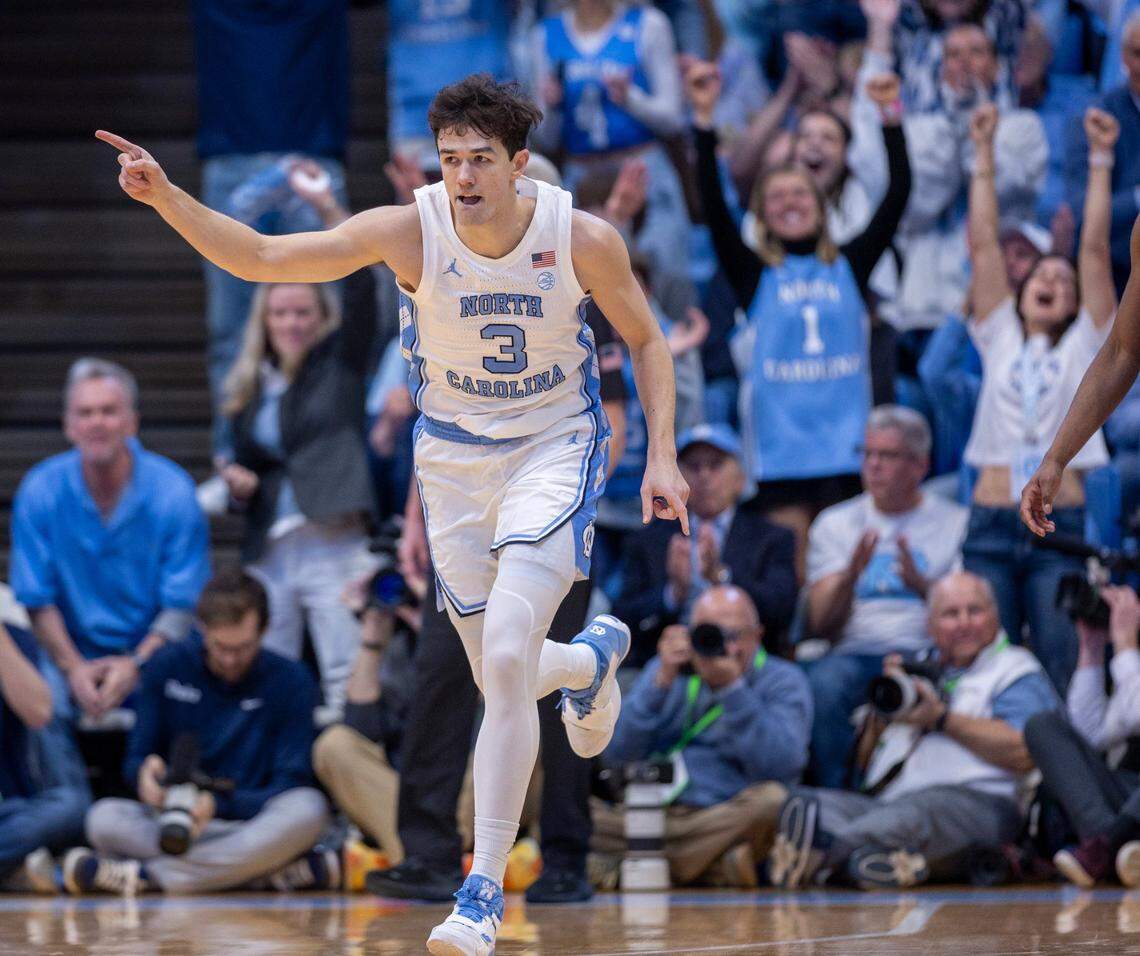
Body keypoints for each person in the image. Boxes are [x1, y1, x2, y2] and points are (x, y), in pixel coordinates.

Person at [96, 73, 687, 955]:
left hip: (552, 446)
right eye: (451, 160)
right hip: (450, 462)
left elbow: (645, 338)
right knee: (505, 674)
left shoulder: (580, 237)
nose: (464, 177)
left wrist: (665, 454)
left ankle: (480, 888)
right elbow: (261, 257)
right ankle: (590, 660)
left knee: (506, 648)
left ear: (519, 163)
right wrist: (167, 195)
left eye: (481, 160)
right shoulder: (410, 228)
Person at [684, 61, 912, 575]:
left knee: (838, 575)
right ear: (763, 214)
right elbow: (716, 209)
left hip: (846, 449)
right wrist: (703, 119)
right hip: (780, 453)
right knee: (790, 581)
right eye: (778, 198)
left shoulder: (852, 263)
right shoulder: (752, 272)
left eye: (800, 195)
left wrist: (891, 116)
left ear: (820, 205)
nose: (790, 203)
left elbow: (897, 196)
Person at [769, 571, 1058, 890]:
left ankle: (817, 861)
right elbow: (864, 766)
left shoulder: (1013, 668)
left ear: (995, 615)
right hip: (890, 802)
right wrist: (883, 713)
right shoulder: (914, 671)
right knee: (807, 803)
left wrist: (941, 719)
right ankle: (863, 863)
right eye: (950, 614)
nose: (964, 623)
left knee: (909, 817)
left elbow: (1025, 750)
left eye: (974, 611)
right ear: (930, 625)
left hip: (977, 802)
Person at [964, 104, 1118, 692]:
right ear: (1020, 292)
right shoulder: (998, 331)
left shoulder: (1088, 343)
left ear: (1080, 303)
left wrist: (1100, 159)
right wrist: (983, 153)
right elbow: (982, 246)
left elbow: (1097, 252)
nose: (1051, 282)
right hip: (990, 527)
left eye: (1064, 280)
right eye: (1040, 278)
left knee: (1060, 665)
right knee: (983, 667)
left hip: (1061, 528)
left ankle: (1060, 781)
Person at [63, 570, 333, 896]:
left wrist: (218, 805)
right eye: (220, 646)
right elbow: (137, 757)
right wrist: (144, 778)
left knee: (309, 809)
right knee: (103, 818)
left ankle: (150, 877)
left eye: (243, 647)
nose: (231, 659)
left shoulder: (292, 680)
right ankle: (260, 874)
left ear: (264, 632)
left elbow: (290, 781)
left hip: (249, 821)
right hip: (176, 826)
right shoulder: (166, 665)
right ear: (202, 630)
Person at [218, 262, 381, 719]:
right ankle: (278, 777)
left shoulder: (340, 363)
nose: (291, 323)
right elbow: (253, 465)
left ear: (321, 316)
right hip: (271, 545)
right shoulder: (251, 383)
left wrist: (329, 213)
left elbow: (363, 291)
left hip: (334, 537)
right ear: (264, 320)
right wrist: (238, 483)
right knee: (270, 672)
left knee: (345, 672)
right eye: (280, 314)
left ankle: (348, 773)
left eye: (302, 312)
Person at [191, 0, 352, 453]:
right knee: (231, 326)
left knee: (333, 321)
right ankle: (231, 459)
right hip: (234, 159)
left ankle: (330, 461)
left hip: (310, 155)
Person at [10, 359, 211, 721]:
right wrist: (73, 668)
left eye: (108, 411)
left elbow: (182, 606)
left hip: (156, 650)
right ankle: (62, 781)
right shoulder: (40, 489)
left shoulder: (174, 491)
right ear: (68, 426)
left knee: (197, 685)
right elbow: (37, 599)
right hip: (67, 654)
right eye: (85, 413)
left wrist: (135, 663)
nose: (97, 422)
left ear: (132, 422)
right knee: (38, 698)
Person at [594, 586, 812, 888]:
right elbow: (615, 753)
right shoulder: (669, 669)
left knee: (774, 802)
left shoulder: (783, 680)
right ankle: (712, 869)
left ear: (758, 635)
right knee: (569, 807)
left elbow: (783, 766)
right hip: (649, 814)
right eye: (711, 634)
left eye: (736, 635)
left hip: (720, 816)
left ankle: (640, 867)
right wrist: (658, 685)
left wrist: (732, 690)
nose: (725, 646)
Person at [804, 406, 969, 788]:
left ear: (919, 466)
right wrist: (849, 577)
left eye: (888, 456)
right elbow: (820, 624)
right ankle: (835, 796)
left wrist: (924, 587)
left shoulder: (954, 522)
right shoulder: (835, 524)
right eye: (867, 454)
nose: (873, 465)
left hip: (925, 652)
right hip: (854, 652)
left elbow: (967, 619)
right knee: (824, 685)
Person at [615, 424, 798, 667]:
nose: (704, 476)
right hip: (665, 662)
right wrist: (673, 593)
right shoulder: (647, 540)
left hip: (746, 663)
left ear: (741, 479)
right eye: (693, 466)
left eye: (715, 465)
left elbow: (781, 611)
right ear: (676, 478)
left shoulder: (772, 538)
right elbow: (621, 618)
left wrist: (721, 577)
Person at [1025, 585, 1140, 887]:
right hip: (1130, 801)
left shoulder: (1130, 659)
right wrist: (1092, 649)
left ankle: (1107, 847)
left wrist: (1126, 646)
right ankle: (1113, 847)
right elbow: (1092, 734)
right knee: (1042, 726)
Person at [0, 620, 90, 893]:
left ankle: (14, 869)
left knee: (71, 804)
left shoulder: (13, 639)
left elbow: (39, 712)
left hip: (10, 811)